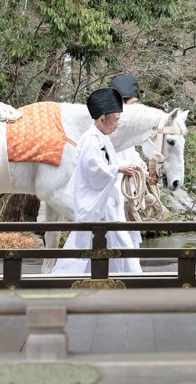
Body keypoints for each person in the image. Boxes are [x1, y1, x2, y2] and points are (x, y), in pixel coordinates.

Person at [52, 88, 142, 274]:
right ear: (102, 119)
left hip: (105, 203)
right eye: (115, 120)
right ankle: (130, 280)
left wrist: (125, 166)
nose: (117, 125)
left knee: (111, 242)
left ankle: (124, 279)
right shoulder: (90, 140)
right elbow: (94, 169)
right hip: (96, 203)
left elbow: (107, 164)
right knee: (99, 243)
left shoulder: (102, 138)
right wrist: (118, 168)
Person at [109, 73, 147, 246]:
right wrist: (119, 167)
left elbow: (130, 153)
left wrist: (141, 164)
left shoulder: (126, 129)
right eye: (133, 104)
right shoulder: (105, 129)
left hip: (126, 194)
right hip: (110, 195)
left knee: (129, 242)